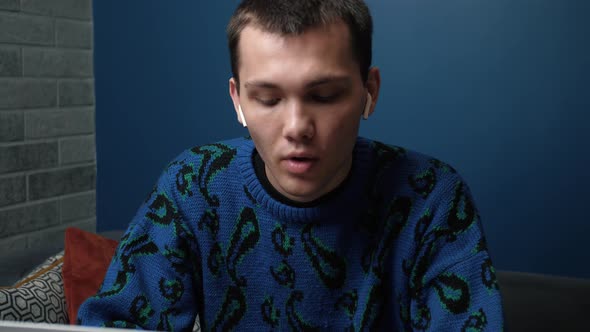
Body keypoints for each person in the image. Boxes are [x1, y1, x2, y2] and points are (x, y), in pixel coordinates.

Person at [78, 0, 504, 330]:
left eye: (324, 96)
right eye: (267, 99)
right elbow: (115, 323)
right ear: (237, 101)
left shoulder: (432, 196)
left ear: (368, 92)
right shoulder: (194, 185)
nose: (297, 127)